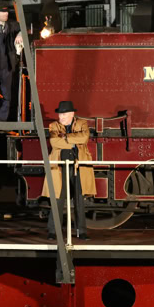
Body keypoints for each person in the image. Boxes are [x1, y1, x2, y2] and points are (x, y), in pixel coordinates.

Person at [41, 100, 96, 239]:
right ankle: (53, 231)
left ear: (72, 114)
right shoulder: (53, 125)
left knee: (79, 199)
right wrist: (73, 143)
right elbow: (54, 142)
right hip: (59, 166)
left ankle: (81, 232)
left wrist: (65, 137)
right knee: (58, 199)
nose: (60, 117)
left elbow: (84, 138)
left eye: (64, 114)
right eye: (60, 114)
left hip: (78, 166)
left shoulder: (82, 123)